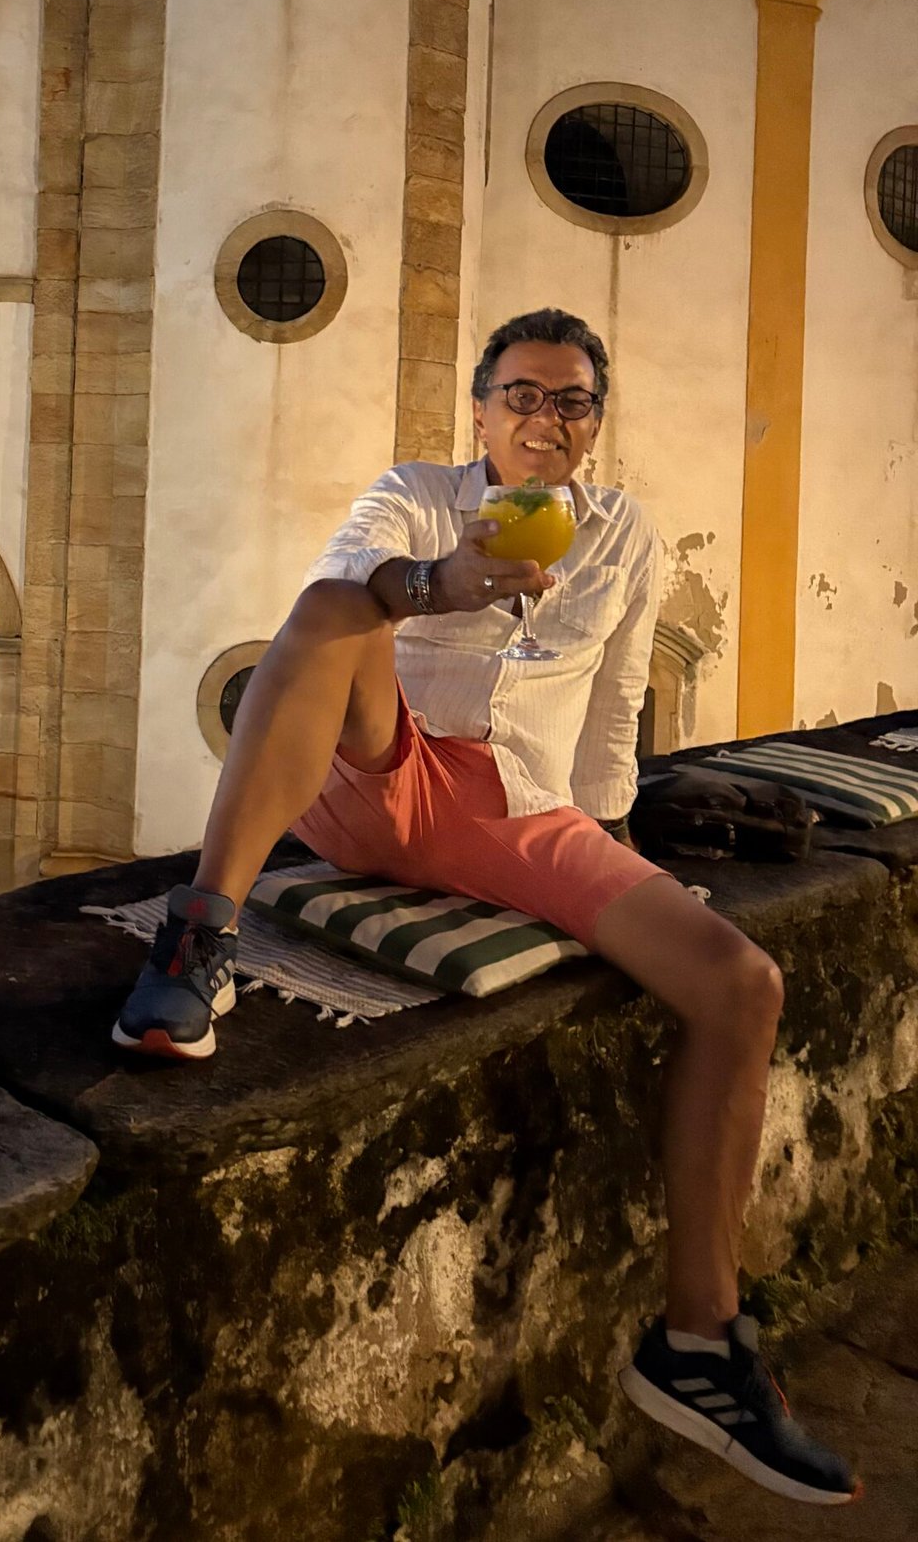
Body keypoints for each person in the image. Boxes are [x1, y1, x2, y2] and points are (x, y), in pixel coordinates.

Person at [114, 308, 858, 1507]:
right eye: (521, 394)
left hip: (518, 810)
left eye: (569, 401)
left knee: (741, 986)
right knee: (329, 609)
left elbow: (619, 700)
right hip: (376, 773)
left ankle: (697, 1342)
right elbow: (343, 591)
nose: (543, 419)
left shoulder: (623, 534)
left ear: (593, 424)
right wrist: (442, 582)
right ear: (479, 408)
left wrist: (614, 840)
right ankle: (201, 936)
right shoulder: (418, 494)